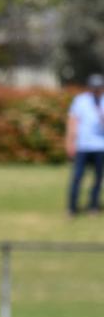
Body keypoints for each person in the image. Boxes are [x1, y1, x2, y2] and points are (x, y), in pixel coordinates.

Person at [65, 73, 104, 216]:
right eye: (94, 87)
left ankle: (93, 206)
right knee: (77, 177)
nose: (96, 90)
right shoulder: (80, 101)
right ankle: (72, 208)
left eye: (99, 87)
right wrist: (70, 143)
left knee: (98, 179)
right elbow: (72, 123)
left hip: (100, 147)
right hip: (83, 146)